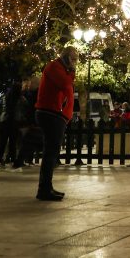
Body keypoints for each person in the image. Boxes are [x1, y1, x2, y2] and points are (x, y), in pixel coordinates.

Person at [34, 47, 77, 201]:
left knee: (52, 152)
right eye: (73, 58)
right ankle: (44, 189)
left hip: (56, 114)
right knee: (50, 152)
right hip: (51, 113)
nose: (75, 62)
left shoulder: (61, 69)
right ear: (66, 57)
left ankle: (47, 186)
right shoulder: (54, 67)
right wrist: (71, 71)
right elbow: (65, 83)